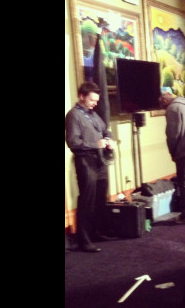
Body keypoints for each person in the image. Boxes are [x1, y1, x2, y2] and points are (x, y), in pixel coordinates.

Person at [65, 82, 116, 253]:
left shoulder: (93, 114)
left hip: (100, 161)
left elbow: (105, 130)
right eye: (92, 100)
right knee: (87, 201)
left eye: (96, 100)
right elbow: (73, 142)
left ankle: (97, 232)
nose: (95, 103)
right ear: (81, 96)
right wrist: (95, 144)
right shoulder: (73, 115)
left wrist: (108, 139)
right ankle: (84, 240)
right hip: (85, 162)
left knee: (100, 199)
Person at [159, 87, 185, 224]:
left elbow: (173, 135)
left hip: (184, 150)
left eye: (161, 104)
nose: (162, 107)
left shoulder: (173, 109)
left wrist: (173, 152)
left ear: (165, 99)